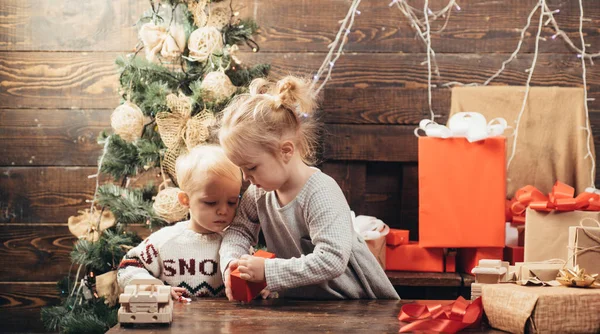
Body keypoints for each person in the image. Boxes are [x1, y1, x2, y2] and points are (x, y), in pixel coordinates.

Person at [218, 76, 399, 300]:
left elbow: (332, 260)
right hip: (304, 305)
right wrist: (231, 263)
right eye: (241, 169)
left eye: (252, 167)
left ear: (285, 151)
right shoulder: (259, 192)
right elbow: (238, 231)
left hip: (354, 304)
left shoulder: (320, 192)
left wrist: (268, 271)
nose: (246, 178)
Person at [117, 145, 242, 299]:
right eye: (211, 202)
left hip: (227, 322)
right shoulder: (164, 240)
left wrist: (260, 287)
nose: (223, 210)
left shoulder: (237, 243)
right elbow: (127, 267)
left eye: (232, 202)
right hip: (174, 322)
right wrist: (154, 288)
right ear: (186, 200)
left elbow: (253, 275)